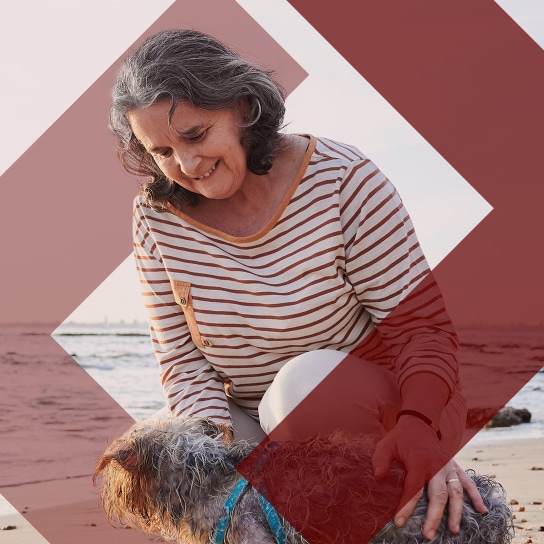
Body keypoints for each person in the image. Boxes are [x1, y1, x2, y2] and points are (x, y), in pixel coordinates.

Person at [110, 29, 487, 540]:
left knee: (300, 390)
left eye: (196, 135)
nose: (188, 166)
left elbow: (421, 331)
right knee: (156, 454)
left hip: (377, 404)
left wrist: (420, 427)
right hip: (255, 416)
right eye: (163, 152)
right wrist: (216, 458)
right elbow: (182, 362)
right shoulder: (155, 218)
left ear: (243, 107)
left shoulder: (342, 179)